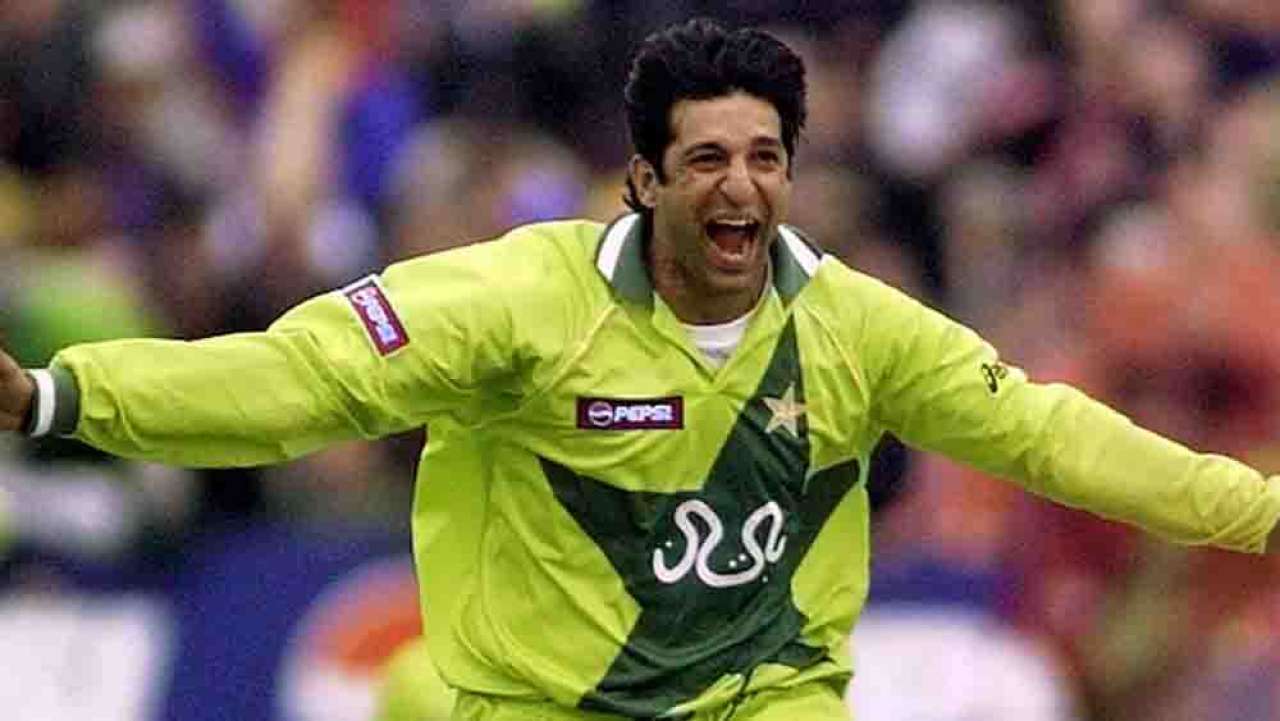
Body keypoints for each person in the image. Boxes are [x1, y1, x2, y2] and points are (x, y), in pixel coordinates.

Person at [1, 17, 1278, 721]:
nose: (740, 188)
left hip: (761, 701)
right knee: (413, 690)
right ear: (644, 178)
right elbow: (298, 382)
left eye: (765, 159)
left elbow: (1050, 435)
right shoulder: (515, 302)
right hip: (544, 704)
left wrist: (1258, 511)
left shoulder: (857, 327)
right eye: (706, 160)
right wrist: (61, 396)